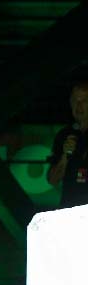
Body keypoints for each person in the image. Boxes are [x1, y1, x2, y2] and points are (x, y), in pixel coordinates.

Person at [46, 80, 88, 209]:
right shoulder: (64, 135)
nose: (79, 106)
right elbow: (52, 180)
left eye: (84, 101)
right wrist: (64, 156)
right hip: (69, 210)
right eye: (75, 101)